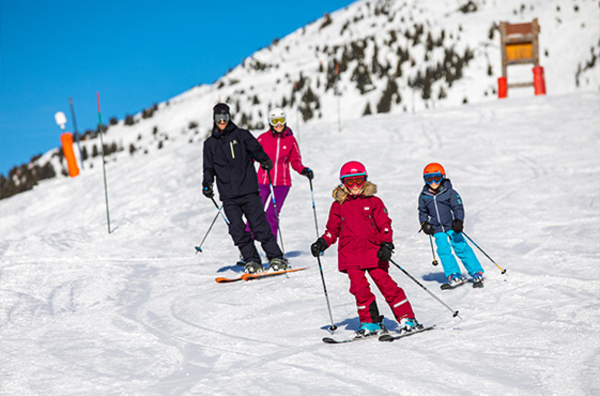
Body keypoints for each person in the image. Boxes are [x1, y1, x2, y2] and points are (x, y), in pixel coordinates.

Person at [310, 161, 420, 337]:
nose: (354, 186)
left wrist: (386, 244)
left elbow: (385, 225)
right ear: (343, 183)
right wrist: (322, 242)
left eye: (358, 181)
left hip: (374, 252)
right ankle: (370, 322)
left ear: (365, 181)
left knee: (387, 286)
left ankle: (407, 318)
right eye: (349, 182)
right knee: (359, 290)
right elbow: (332, 230)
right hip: (350, 255)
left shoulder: (374, 202)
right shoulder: (338, 205)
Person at [202, 103, 288, 274]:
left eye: (225, 117)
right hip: (228, 196)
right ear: (214, 119)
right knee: (236, 229)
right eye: (219, 118)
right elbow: (208, 168)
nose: (222, 121)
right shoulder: (210, 144)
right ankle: (252, 260)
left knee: (259, 226)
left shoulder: (242, 135)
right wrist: (207, 184)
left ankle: (276, 257)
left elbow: (256, 150)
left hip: (248, 191)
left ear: (229, 117)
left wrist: (264, 160)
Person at [250, 107, 313, 239]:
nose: (279, 124)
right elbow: (252, 156)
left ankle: (272, 249)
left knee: (271, 214)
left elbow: (295, 161)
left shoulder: (291, 140)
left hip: (282, 183)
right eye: (275, 121)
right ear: (270, 123)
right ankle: (247, 247)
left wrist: (303, 170)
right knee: (255, 212)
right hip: (263, 181)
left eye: (281, 120)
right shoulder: (262, 139)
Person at [418, 162, 484, 286]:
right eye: (429, 179)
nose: (433, 182)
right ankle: (453, 274)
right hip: (437, 229)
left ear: (442, 177)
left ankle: (476, 271)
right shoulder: (424, 196)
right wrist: (424, 224)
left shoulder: (450, 192)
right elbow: (422, 212)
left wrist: (458, 221)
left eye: (436, 178)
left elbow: (458, 208)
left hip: (452, 226)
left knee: (461, 247)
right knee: (443, 250)